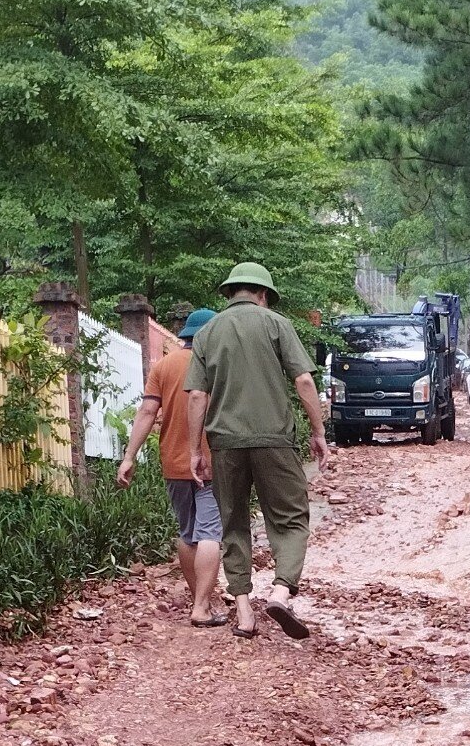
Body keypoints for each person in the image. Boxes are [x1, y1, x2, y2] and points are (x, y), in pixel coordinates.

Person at [186, 261, 328, 639]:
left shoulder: (207, 332)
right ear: (263, 294)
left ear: (231, 292)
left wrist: (194, 451)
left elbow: (198, 395)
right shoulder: (276, 323)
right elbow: (302, 379)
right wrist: (318, 430)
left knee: (232, 522)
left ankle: (245, 612)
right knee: (291, 518)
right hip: (274, 440)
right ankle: (281, 590)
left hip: (225, 443)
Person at [117, 306, 224, 626]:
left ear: (185, 336)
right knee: (210, 533)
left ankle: (198, 599)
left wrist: (129, 456)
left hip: (173, 462)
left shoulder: (163, 366)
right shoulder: (218, 365)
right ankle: (202, 606)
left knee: (188, 533)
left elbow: (147, 413)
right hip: (210, 462)